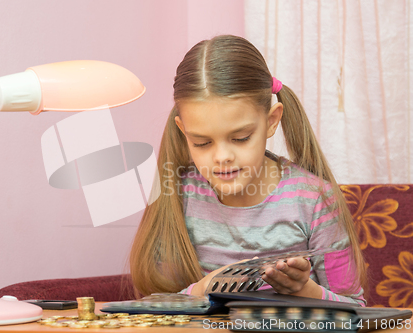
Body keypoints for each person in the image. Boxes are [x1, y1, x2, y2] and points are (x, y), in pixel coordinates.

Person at [129, 35, 366, 306]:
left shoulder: (313, 199)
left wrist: (303, 290)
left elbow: (355, 307)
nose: (222, 157)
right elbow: (154, 306)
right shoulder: (179, 195)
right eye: (202, 142)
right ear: (184, 132)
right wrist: (202, 289)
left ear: (272, 121)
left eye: (240, 138)